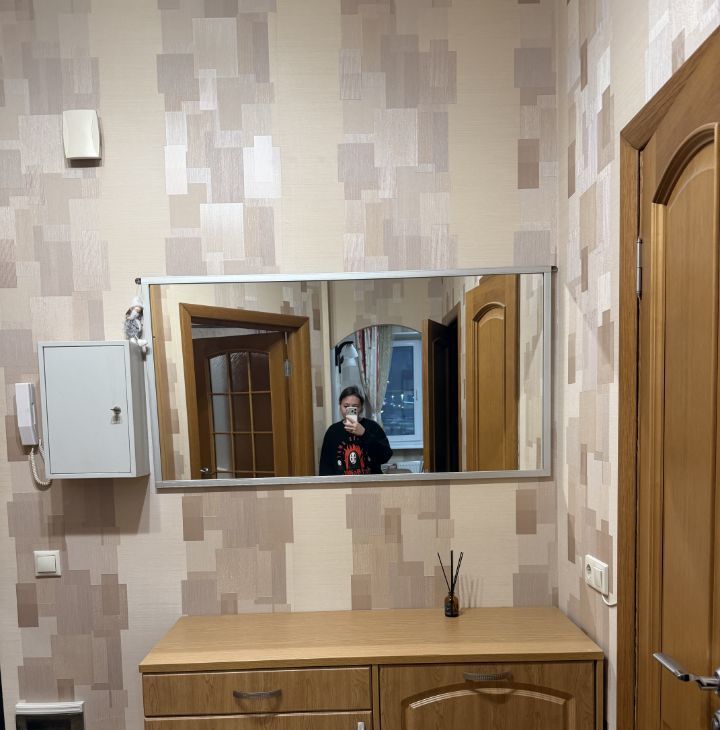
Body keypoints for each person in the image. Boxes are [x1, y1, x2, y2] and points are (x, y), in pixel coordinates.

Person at [319, 386, 392, 475]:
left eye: (355, 406)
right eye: (346, 406)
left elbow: (385, 457)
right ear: (340, 406)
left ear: (361, 408)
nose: (350, 410)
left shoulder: (372, 427)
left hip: (370, 481)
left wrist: (364, 434)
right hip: (342, 483)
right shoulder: (333, 431)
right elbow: (325, 466)